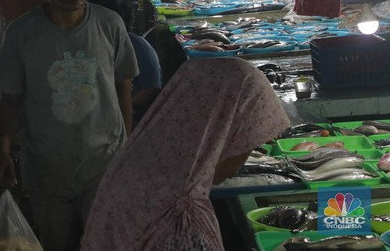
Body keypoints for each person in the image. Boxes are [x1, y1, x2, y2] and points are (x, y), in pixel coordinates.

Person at [0, 0, 139, 251]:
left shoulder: (110, 25)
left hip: (103, 162)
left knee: (105, 243)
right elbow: (10, 100)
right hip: (47, 169)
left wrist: (126, 146)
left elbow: (122, 87)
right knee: (56, 244)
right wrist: (3, 149)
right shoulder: (21, 33)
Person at [82, 58, 290, 251]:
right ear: (221, 132)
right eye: (246, 142)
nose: (239, 166)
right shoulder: (181, 218)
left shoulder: (140, 165)